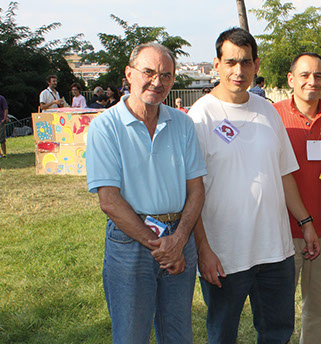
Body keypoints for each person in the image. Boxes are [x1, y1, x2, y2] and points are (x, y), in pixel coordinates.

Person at [188, 28, 319, 344]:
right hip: (225, 253)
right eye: (230, 61)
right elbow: (190, 191)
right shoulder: (198, 118)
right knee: (223, 333)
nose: (238, 70)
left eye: (246, 62)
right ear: (216, 65)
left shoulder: (267, 111)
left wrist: (306, 222)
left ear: (256, 65)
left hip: (275, 251)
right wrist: (203, 249)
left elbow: (284, 173)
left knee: (277, 332)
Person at [86, 43, 206, 343]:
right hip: (130, 243)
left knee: (178, 334)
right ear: (129, 74)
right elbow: (109, 200)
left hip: (180, 236)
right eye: (148, 72)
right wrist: (162, 247)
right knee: (131, 335)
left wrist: (178, 242)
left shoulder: (182, 123)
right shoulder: (105, 127)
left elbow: (197, 190)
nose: (157, 82)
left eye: (166, 75)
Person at [273, 52, 321, 344]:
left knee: (320, 308)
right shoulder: (274, 115)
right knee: (278, 311)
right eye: (304, 75)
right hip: (282, 231)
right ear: (291, 79)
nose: (311, 81)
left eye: (318, 75)